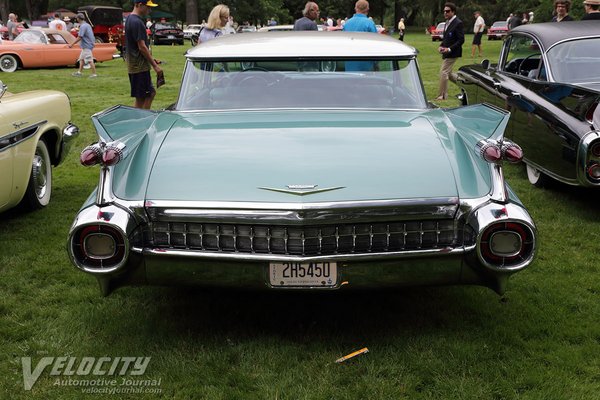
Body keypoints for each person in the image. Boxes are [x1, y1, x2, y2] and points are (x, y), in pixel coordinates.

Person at [125, 0, 163, 109]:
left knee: (146, 95)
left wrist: (151, 59)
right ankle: (141, 121)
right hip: (139, 67)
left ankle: (142, 120)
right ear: (139, 5)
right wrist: (155, 66)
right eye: (148, 7)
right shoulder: (137, 22)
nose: (149, 10)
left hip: (136, 66)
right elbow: (141, 46)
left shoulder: (129, 19)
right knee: (144, 96)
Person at [436, 2, 464, 101]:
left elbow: (461, 40)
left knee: (443, 72)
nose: (445, 13)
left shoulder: (458, 23)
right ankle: (464, 83)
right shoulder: (447, 23)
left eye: (447, 11)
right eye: (444, 11)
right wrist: (441, 46)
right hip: (446, 52)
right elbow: (446, 38)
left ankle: (442, 96)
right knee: (449, 74)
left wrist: (449, 49)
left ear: (453, 11)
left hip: (453, 52)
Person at [69, 14, 97, 78]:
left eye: (77, 18)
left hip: (86, 45)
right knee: (81, 59)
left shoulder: (83, 26)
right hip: (88, 44)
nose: (76, 19)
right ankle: (79, 72)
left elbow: (80, 37)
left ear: (78, 18)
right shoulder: (87, 25)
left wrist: (72, 44)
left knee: (90, 60)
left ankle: (94, 74)